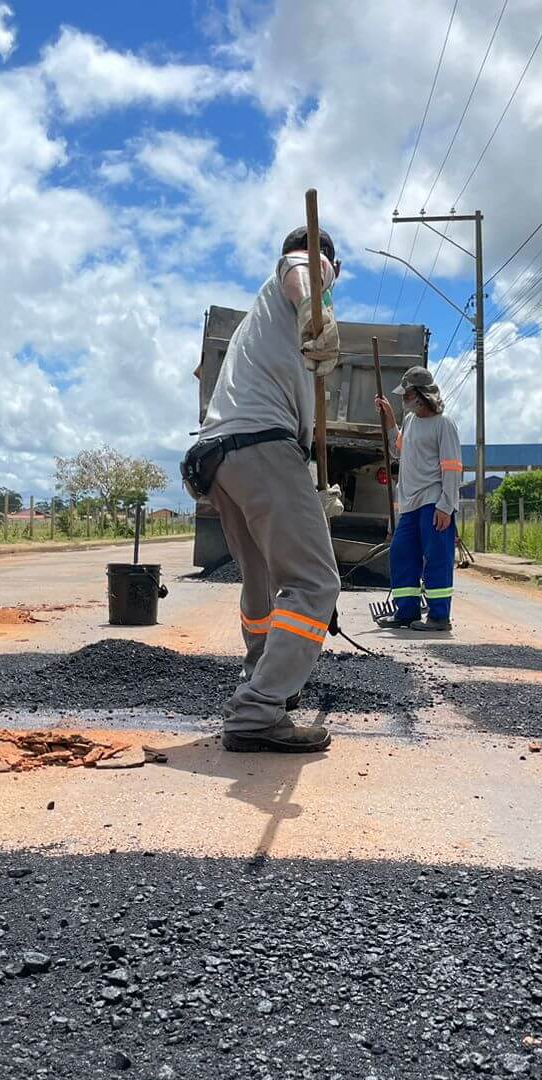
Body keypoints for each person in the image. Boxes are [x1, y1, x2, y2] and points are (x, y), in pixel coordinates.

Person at [192, 225, 342, 753]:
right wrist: (313, 308)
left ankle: (257, 679)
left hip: (222, 453)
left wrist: (304, 486)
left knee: (259, 579)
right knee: (316, 583)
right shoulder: (303, 273)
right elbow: (304, 265)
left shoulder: (262, 326)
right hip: (260, 444)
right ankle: (258, 710)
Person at [374, 367, 464, 631]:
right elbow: (399, 449)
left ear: (421, 396)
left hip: (434, 502)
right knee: (402, 553)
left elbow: (452, 468)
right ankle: (406, 611)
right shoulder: (412, 421)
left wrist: (446, 507)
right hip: (410, 504)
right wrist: (390, 419)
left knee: (436, 558)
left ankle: (438, 616)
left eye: (407, 395)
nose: (404, 399)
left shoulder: (444, 424)